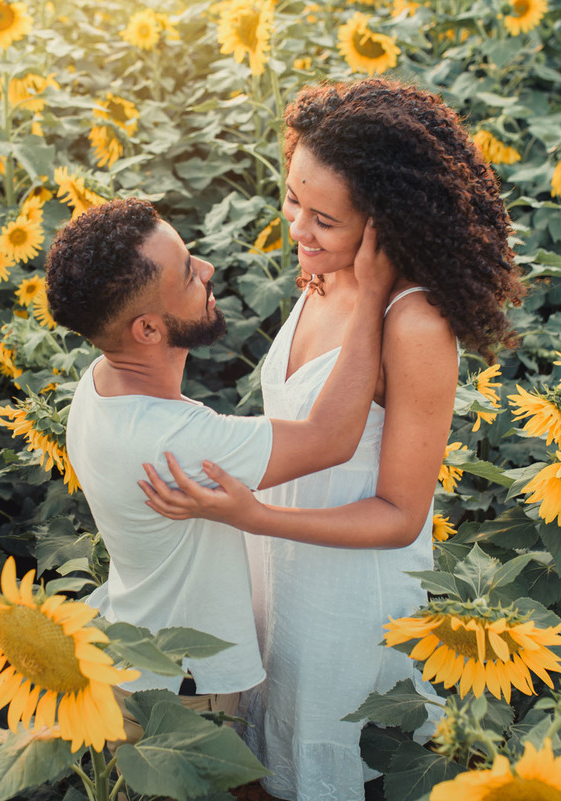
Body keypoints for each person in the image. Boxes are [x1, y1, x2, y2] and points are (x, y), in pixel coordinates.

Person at [139, 78, 525, 800]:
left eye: (324, 217)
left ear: (385, 223)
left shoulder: (414, 325)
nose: (298, 228)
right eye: (292, 197)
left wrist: (253, 514)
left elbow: (400, 514)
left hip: (349, 605)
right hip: (280, 578)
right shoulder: (323, 270)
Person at [43, 197, 397, 739]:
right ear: (148, 331)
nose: (208, 270)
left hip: (136, 650)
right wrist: (372, 294)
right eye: (188, 275)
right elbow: (330, 439)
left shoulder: (97, 384)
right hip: (185, 687)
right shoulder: (173, 441)